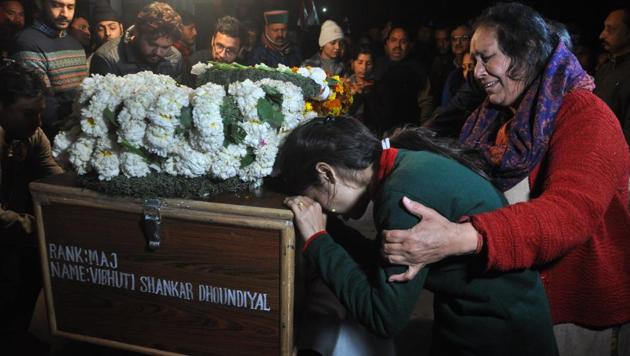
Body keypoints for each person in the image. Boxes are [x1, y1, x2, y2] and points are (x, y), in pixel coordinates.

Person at [382, 3, 630, 355]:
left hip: (574, 316)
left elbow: (568, 213)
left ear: (526, 51)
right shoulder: (498, 117)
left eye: (487, 58)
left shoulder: (587, 118)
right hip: (520, 304)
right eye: (474, 61)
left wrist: (463, 237)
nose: (477, 72)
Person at [278, 116, 557, 355]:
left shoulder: (401, 196)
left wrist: (318, 241)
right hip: (505, 319)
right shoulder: (404, 163)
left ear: (326, 173)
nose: (325, 210)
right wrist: (330, 231)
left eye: (314, 199)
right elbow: (382, 260)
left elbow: (382, 316)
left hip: (498, 337)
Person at [0, 58, 63, 355]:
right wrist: (40, 227)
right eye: (28, 114)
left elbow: (53, 177)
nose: (38, 122)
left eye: (39, 113)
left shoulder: (31, 133)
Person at [11, 0, 88, 139]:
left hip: (79, 132)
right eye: (56, 5)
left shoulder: (76, 45)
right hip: (54, 137)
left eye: (70, 7)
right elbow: (42, 104)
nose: (65, 13)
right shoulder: (27, 42)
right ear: (40, 4)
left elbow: (84, 93)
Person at [90, 1, 184, 82]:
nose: (157, 52)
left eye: (165, 47)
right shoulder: (108, 59)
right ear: (136, 32)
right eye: (152, 44)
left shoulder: (175, 57)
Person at [368, 26, 433, 135]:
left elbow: (426, 101)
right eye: (393, 40)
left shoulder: (418, 69)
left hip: (409, 131)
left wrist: (421, 131)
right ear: (387, 43)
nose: (397, 46)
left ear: (410, 45)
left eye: (403, 41)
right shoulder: (376, 67)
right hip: (380, 133)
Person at [595, 7, 630, 146]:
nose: (602, 35)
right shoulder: (605, 68)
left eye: (611, 29)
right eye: (604, 28)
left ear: (628, 33)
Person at [347, 45, 374, 122]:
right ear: (353, 63)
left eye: (368, 63)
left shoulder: (378, 86)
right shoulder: (345, 85)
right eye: (360, 62)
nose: (364, 67)